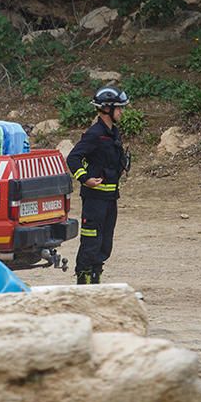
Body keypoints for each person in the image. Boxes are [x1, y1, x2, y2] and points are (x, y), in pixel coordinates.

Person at [66, 86, 130, 284]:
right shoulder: (95, 134)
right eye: (119, 108)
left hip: (110, 198)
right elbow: (73, 158)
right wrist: (85, 179)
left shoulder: (113, 133)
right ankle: (83, 284)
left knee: (104, 244)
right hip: (95, 200)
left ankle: (95, 281)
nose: (122, 112)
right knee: (91, 243)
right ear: (106, 109)